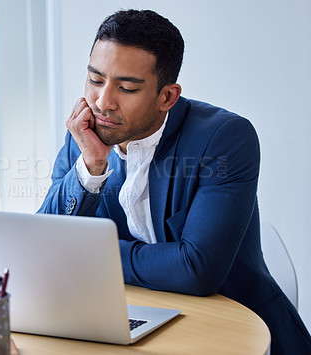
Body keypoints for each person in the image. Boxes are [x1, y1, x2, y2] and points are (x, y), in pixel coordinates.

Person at [37, 9, 311, 354]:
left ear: (167, 96)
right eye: (95, 81)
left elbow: (196, 270)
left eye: (126, 88)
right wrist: (91, 165)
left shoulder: (224, 138)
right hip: (126, 322)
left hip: (233, 330)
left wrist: (87, 255)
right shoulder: (85, 135)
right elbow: (44, 247)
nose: (103, 102)